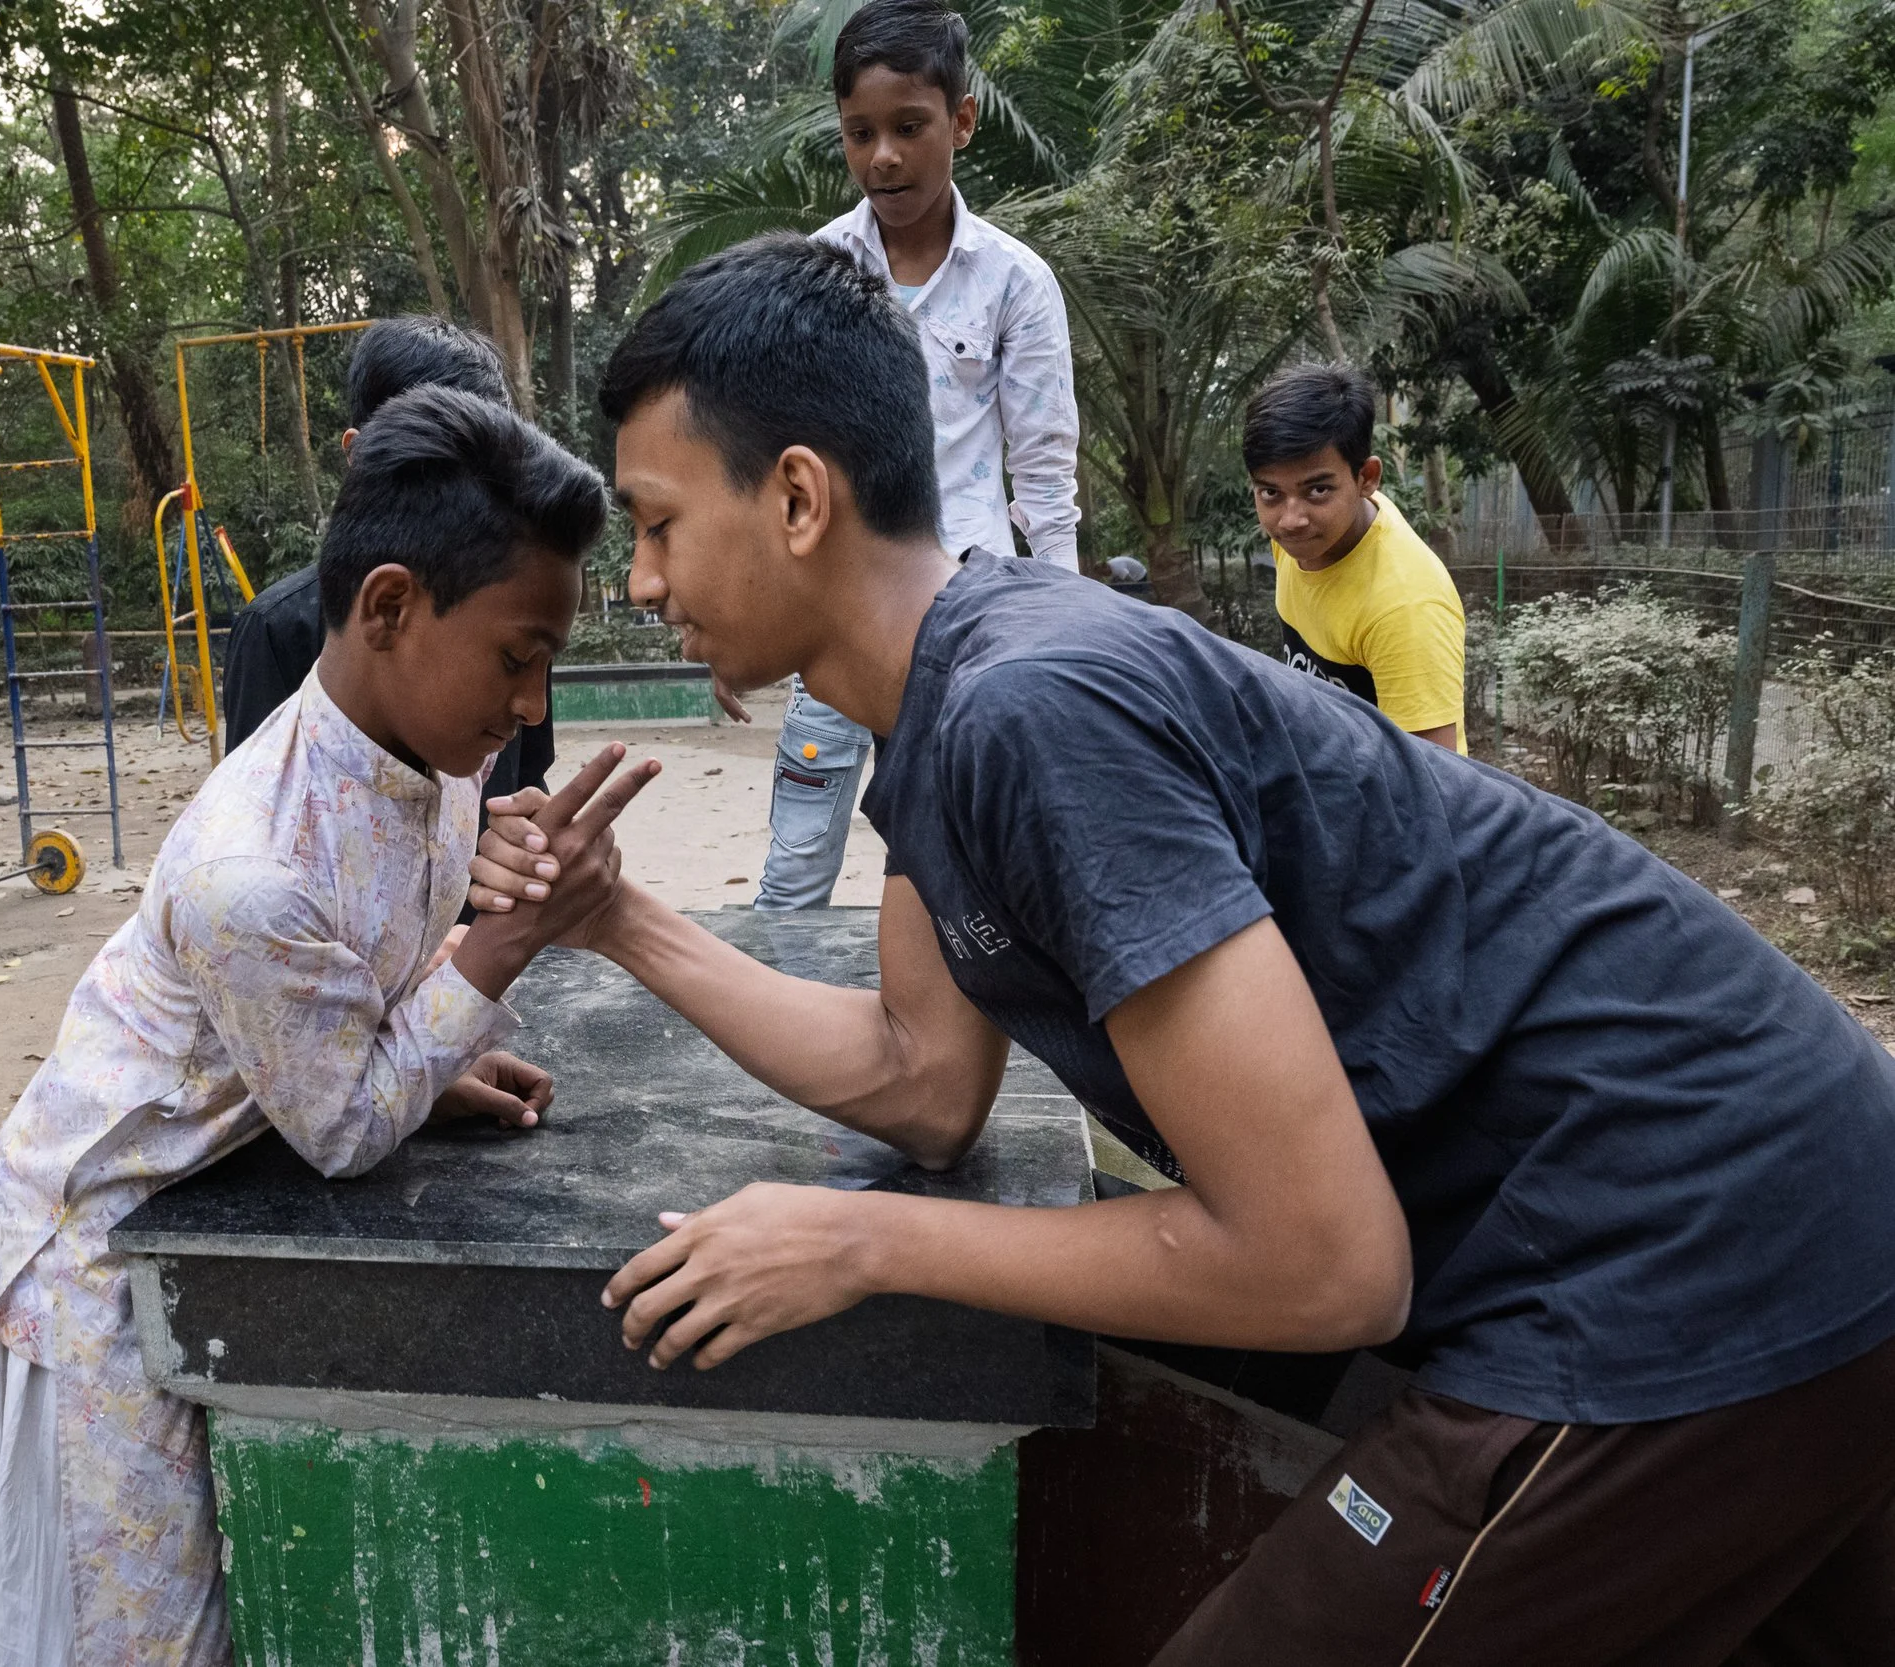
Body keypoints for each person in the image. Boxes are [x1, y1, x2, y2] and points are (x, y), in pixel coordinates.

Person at [474, 233, 1895, 1663]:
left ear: (795, 496)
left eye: (657, 524)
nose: (644, 583)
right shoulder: (950, 710)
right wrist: (615, 917)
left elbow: (1324, 1264)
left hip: (1694, 1233)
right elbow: (920, 1079)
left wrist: (861, 1237)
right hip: (1768, 1197)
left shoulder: (1035, 710)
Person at [0, 387, 657, 1665]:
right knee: (146, 1636)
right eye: (515, 655)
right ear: (387, 606)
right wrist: (502, 945)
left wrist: (430, 1050)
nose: (533, 702)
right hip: (104, 1249)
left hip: (213, 1190)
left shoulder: (436, 756)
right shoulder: (247, 870)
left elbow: (369, 1012)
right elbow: (344, 1126)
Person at [747, 0, 1082, 911]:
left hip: (963, 627)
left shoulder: (1016, 281)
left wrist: (1060, 630)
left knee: (951, 872)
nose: (884, 155)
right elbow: (774, 461)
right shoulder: (814, 273)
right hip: (835, 621)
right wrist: (741, 612)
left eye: (908, 127)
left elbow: (1046, 475)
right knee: (796, 865)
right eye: (862, 133)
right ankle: (777, 1046)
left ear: (960, 122)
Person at [216, 314, 554, 804]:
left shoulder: (521, 621)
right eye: (437, 469)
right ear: (359, 457)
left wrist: (537, 847)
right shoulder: (278, 632)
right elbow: (254, 810)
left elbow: (526, 784)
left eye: (490, 470)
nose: (467, 498)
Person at [1249, 363, 1468, 752]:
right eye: (1270, 493)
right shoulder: (1302, 537)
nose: (1290, 520)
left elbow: (1435, 787)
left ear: (1366, 478)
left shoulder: (1405, 608)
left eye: (1317, 490)